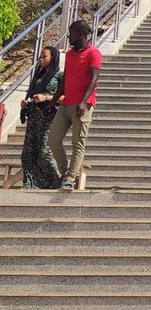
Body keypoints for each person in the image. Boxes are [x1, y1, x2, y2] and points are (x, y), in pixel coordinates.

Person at [47, 21, 102, 191]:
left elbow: (93, 80)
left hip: (82, 105)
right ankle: (64, 173)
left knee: (78, 142)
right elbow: (65, 80)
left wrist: (84, 102)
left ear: (80, 34)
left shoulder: (94, 53)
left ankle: (71, 178)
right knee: (53, 138)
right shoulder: (70, 54)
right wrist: (53, 100)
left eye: (71, 33)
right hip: (66, 104)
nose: (69, 36)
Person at [19, 46, 63, 189]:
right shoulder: (38, 76)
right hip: (33, 118)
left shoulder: (59, 76)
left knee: (44, 151)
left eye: (44, 56)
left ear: (53, 57)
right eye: (40, 57)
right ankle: (33, 183)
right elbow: (31, 94)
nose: (41, 59)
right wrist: (26, 102)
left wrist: (46, 97)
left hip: (47, 118)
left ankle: (57, 181)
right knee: (28, 152)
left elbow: (65, 97)